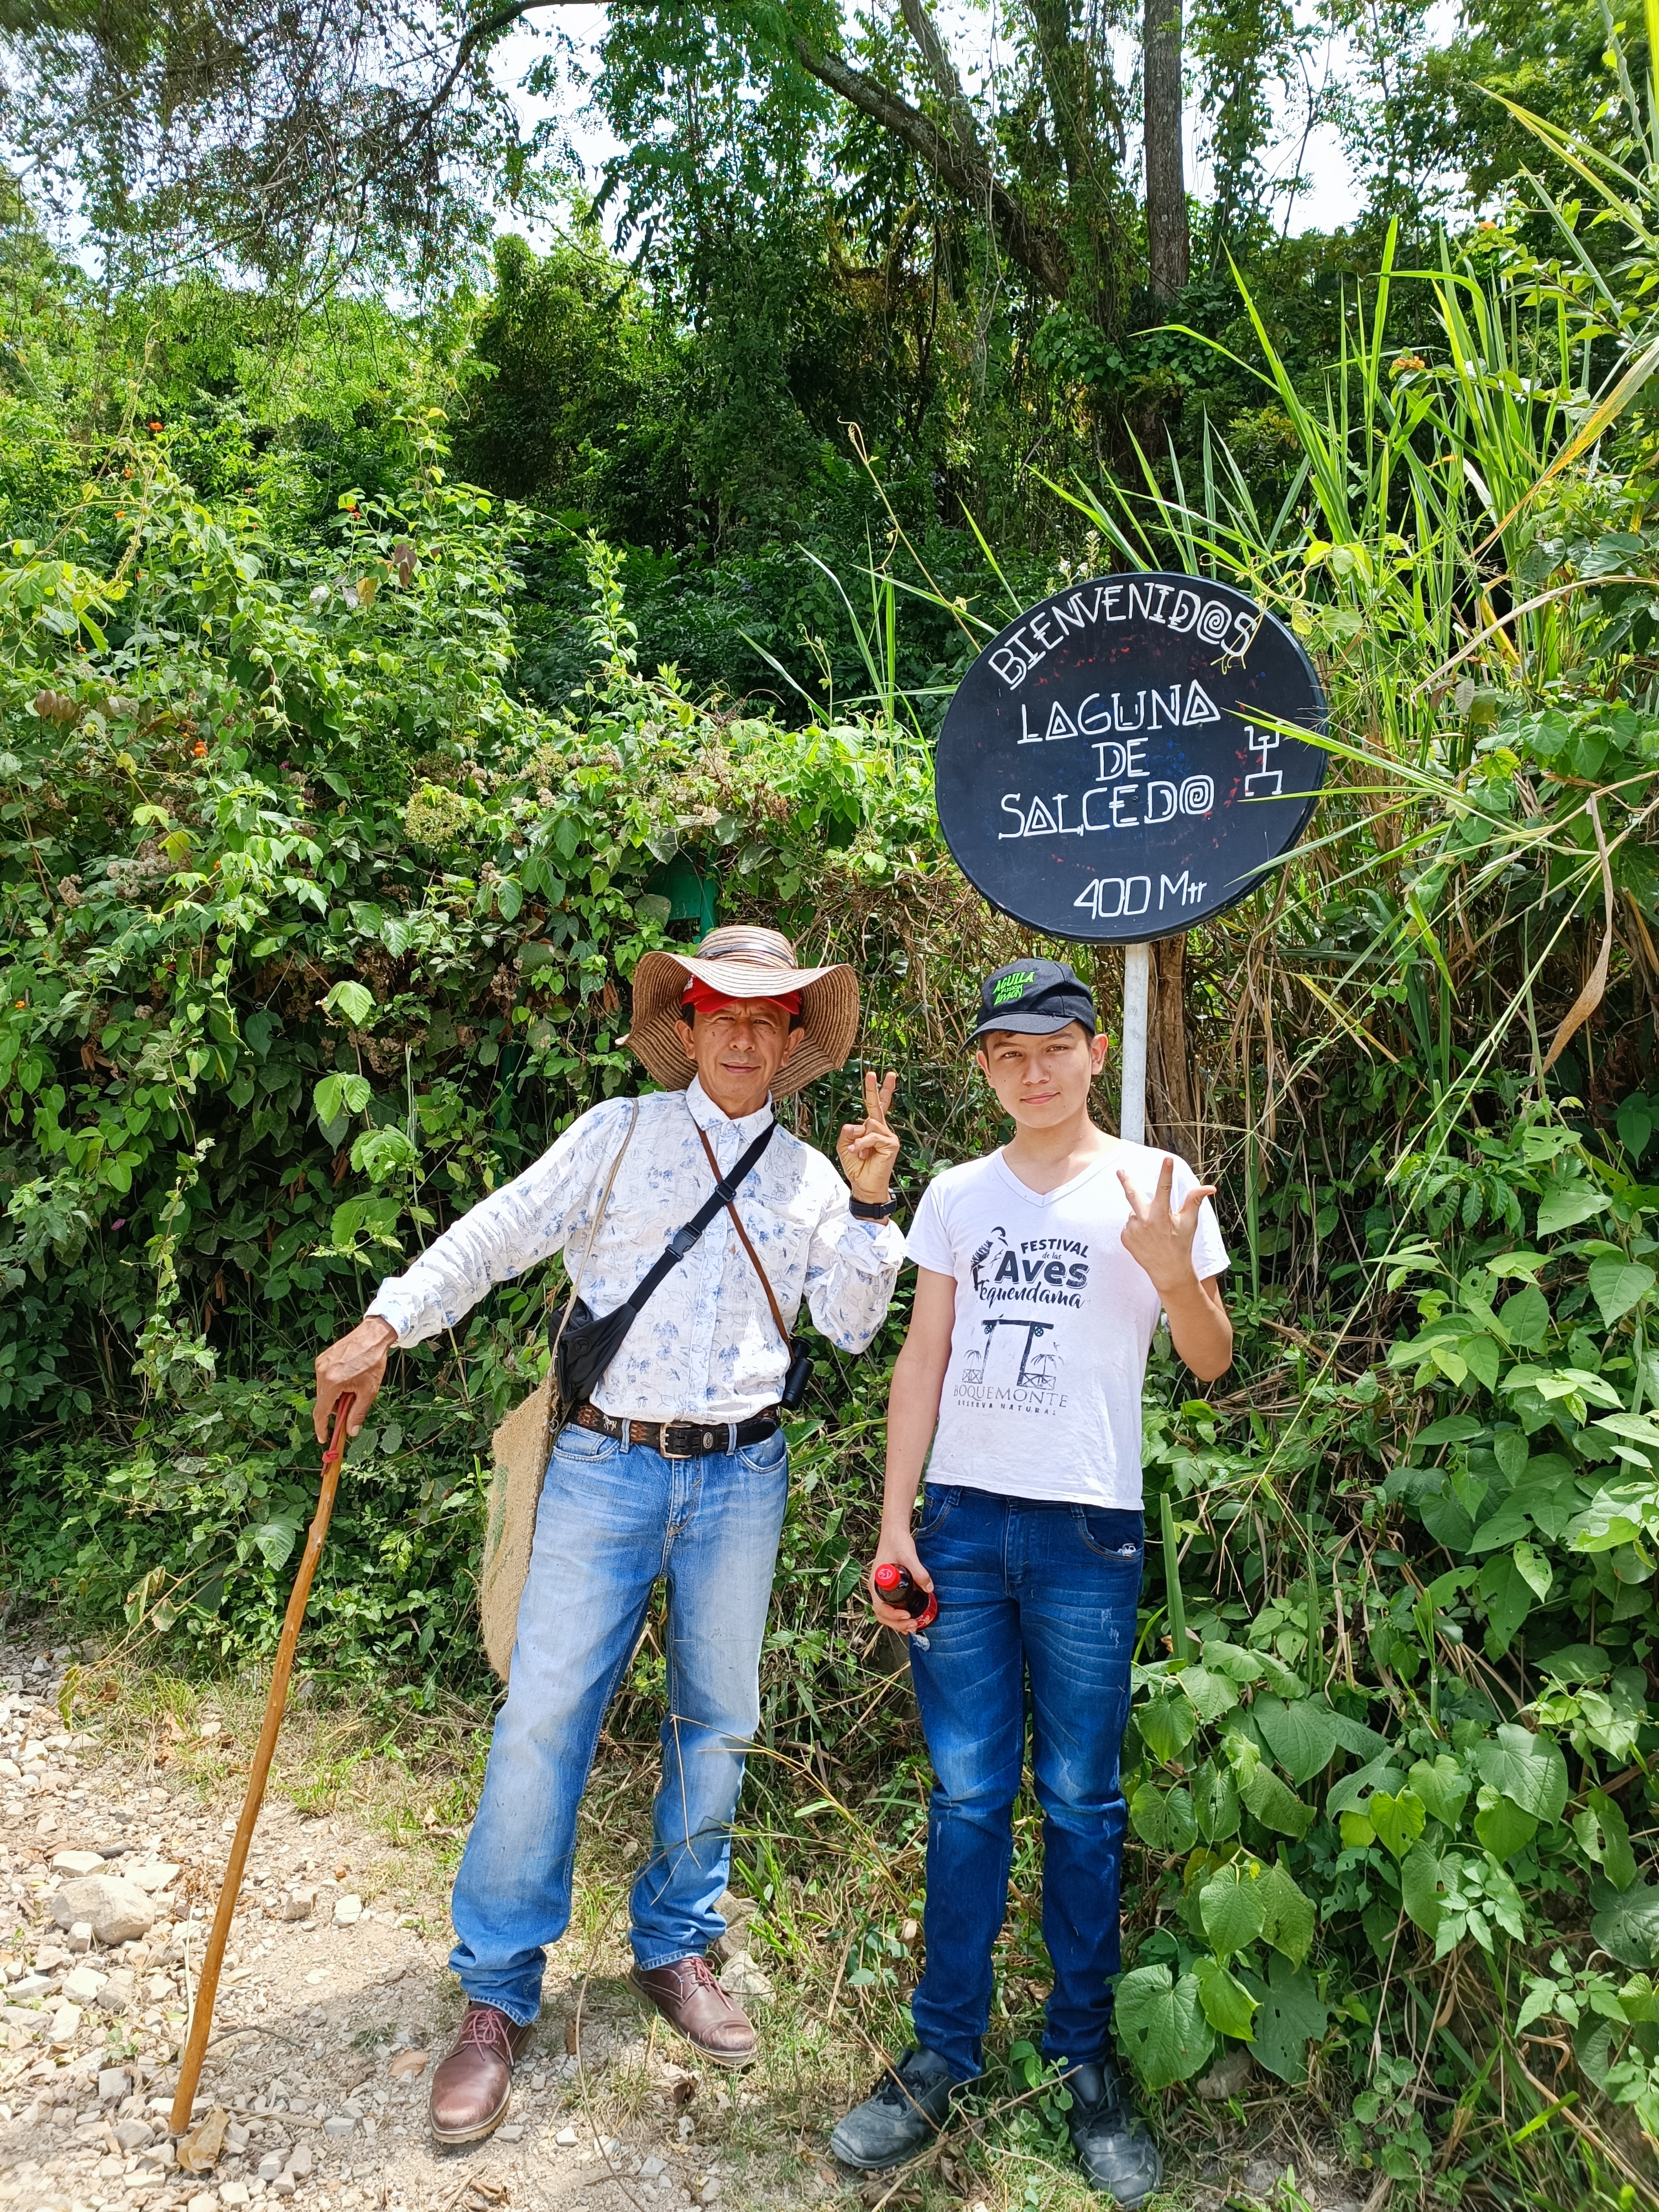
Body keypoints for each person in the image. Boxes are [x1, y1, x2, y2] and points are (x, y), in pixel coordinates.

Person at [312, 924, 904, 2145]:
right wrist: (387, 1322)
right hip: (600, 1464)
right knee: (544, 1715)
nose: (743, 1034)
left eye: (768, 1016)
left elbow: (849, 1325)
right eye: (720, 1011)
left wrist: (871, 1199)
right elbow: (493, 1233)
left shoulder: (804, 1179)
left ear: (795, 1041)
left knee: (719, 1713)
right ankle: (495, 1991)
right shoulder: (617, 1134)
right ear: (685, 1028)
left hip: (742, 1475)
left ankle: (678, 1944)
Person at [831, 958, 1231, 2206]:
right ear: (990, 1069)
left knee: (1078, 1797)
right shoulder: (955, 1193)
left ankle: (1084, 2052)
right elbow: (923, 1360)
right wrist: (896, 1521)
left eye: (1055, 1044)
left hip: (1087, 1535)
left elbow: (1212, 1360)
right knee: (964, 1795)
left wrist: (1170, 1267)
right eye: (1008, 1052)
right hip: (960, 1523)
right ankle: (941, 2049)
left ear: (1093, 1052)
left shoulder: (1153, 1184)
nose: (1034, 1068)